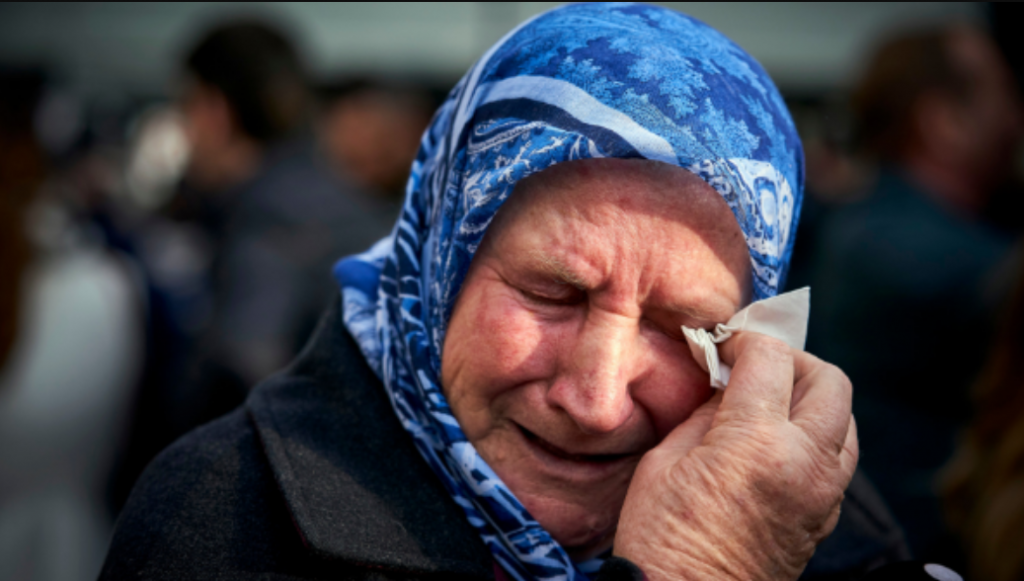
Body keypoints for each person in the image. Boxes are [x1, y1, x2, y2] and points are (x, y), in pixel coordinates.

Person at [100, 5, 915, 580]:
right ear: (439, 271)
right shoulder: (221, 519)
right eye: (553, 292)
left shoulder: (818, 525)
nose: (596, 399)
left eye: (683, 324)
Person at [804, 25, 1023, 558]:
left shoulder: (856, 218)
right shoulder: (916, 255)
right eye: (1004, 93)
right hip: (912, 547)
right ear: (942, 122)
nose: (1017, 118)